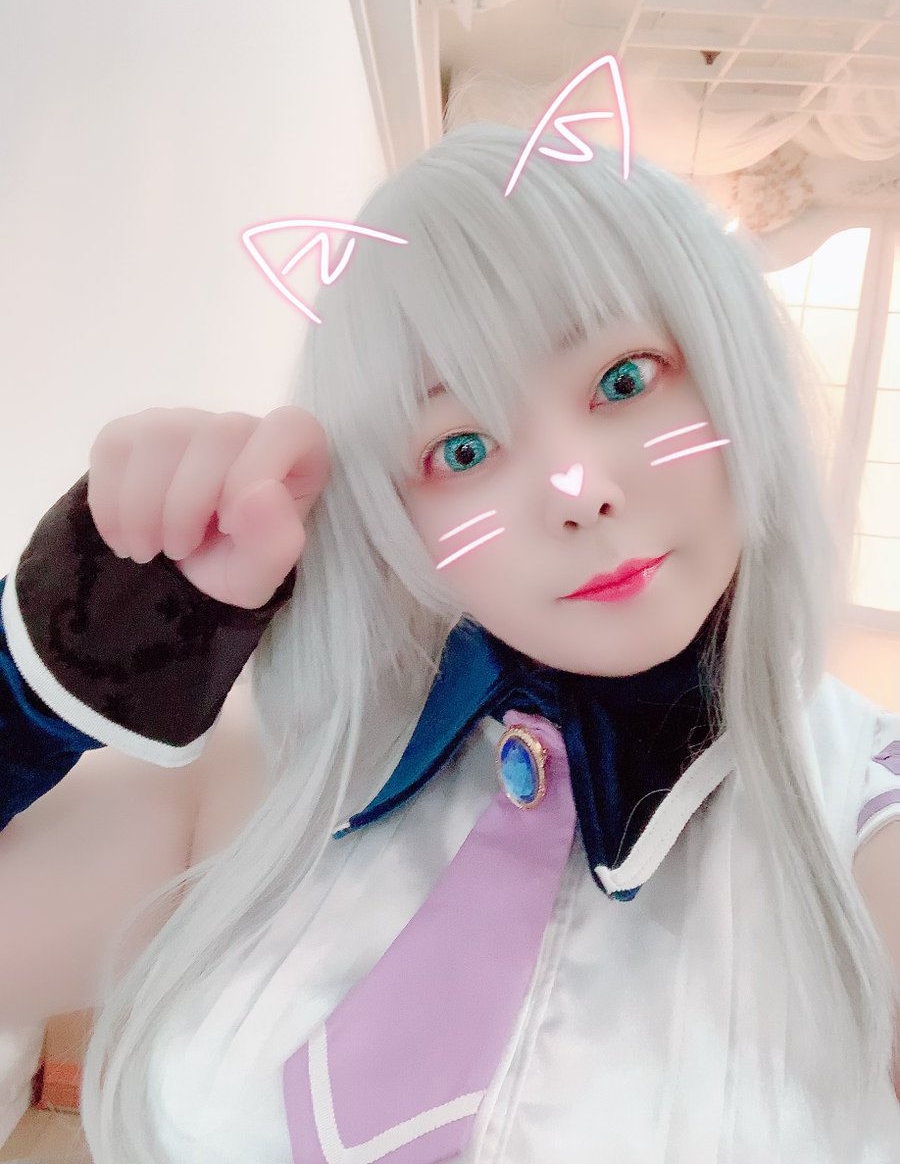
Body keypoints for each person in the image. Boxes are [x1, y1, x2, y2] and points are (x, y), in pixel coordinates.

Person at [2, 122, 900, 1162]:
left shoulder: (861, 813)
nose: (576, 492)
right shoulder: (276, 774)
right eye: (462, 448)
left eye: (624, 380)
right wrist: (51, 674)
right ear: (394, 518)